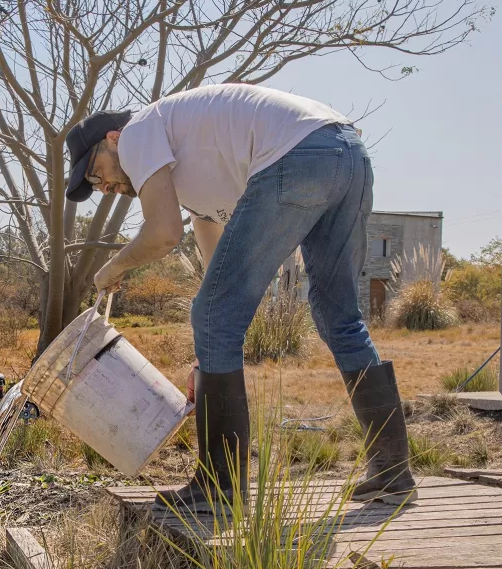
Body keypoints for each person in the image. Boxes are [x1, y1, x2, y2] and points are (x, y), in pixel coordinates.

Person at [64, 83, 417, 514]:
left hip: (300, 154)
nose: (103, 187)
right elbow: (219, 281)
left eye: (95, 173)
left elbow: (162, 234)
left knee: (220, 315)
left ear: (112, 139)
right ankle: (393, 473)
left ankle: (220, 489)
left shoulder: (137, 132)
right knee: (337, 315)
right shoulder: (195, 173)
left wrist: (113, 268)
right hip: (347, 155)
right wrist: (205, 360)